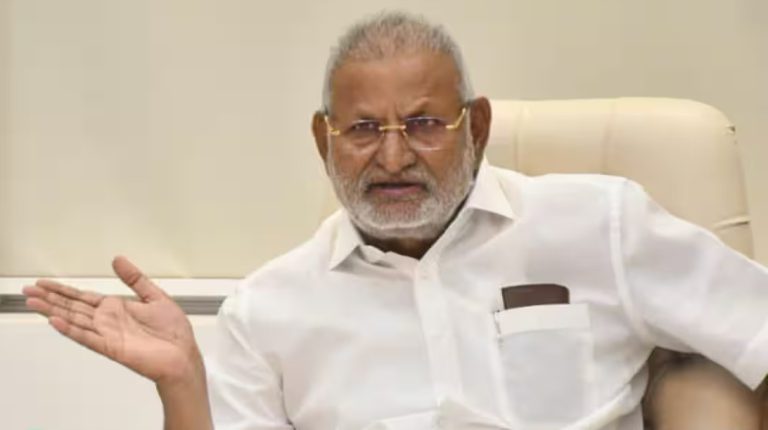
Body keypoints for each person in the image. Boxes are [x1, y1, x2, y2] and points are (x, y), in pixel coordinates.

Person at [22, 11, 768, 430]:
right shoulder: (269, 309)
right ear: (324, 142)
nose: (392, 156)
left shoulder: (599, 223)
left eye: (423, 123)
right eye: (361, 130)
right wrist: (183, 385)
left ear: (477, 126)